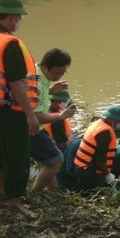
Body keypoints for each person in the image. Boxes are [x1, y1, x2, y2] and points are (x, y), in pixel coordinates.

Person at [0, 0, 39, 206]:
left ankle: (0, 192)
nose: (19, 21)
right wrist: (30, 115)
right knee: (16, 156)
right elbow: (16, 84)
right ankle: (14, 201)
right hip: (10, 111)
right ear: (12, 17)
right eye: (19, 17)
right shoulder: (9, 44)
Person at [30, 48, 75, 192]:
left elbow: (38, 100)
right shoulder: (35, 82)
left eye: (62, 73)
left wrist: (51, 90)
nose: (59, 76)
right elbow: (36, 117)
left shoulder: (40, 75)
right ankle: (35, 193)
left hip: (36, 127)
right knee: (56, 159)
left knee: (47, 159)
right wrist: (62, 115)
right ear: (45, 67)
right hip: (31, 129)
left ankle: (52, 189)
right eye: (56, 73)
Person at [73, 105, 120, 191]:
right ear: (114, 121)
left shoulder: (98, 123)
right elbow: (100, 159)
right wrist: (108, 174)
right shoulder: (105, 133)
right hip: (87, 171)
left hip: (81, 167)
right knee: (99, 194)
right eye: (119, 122)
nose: (119, 125)